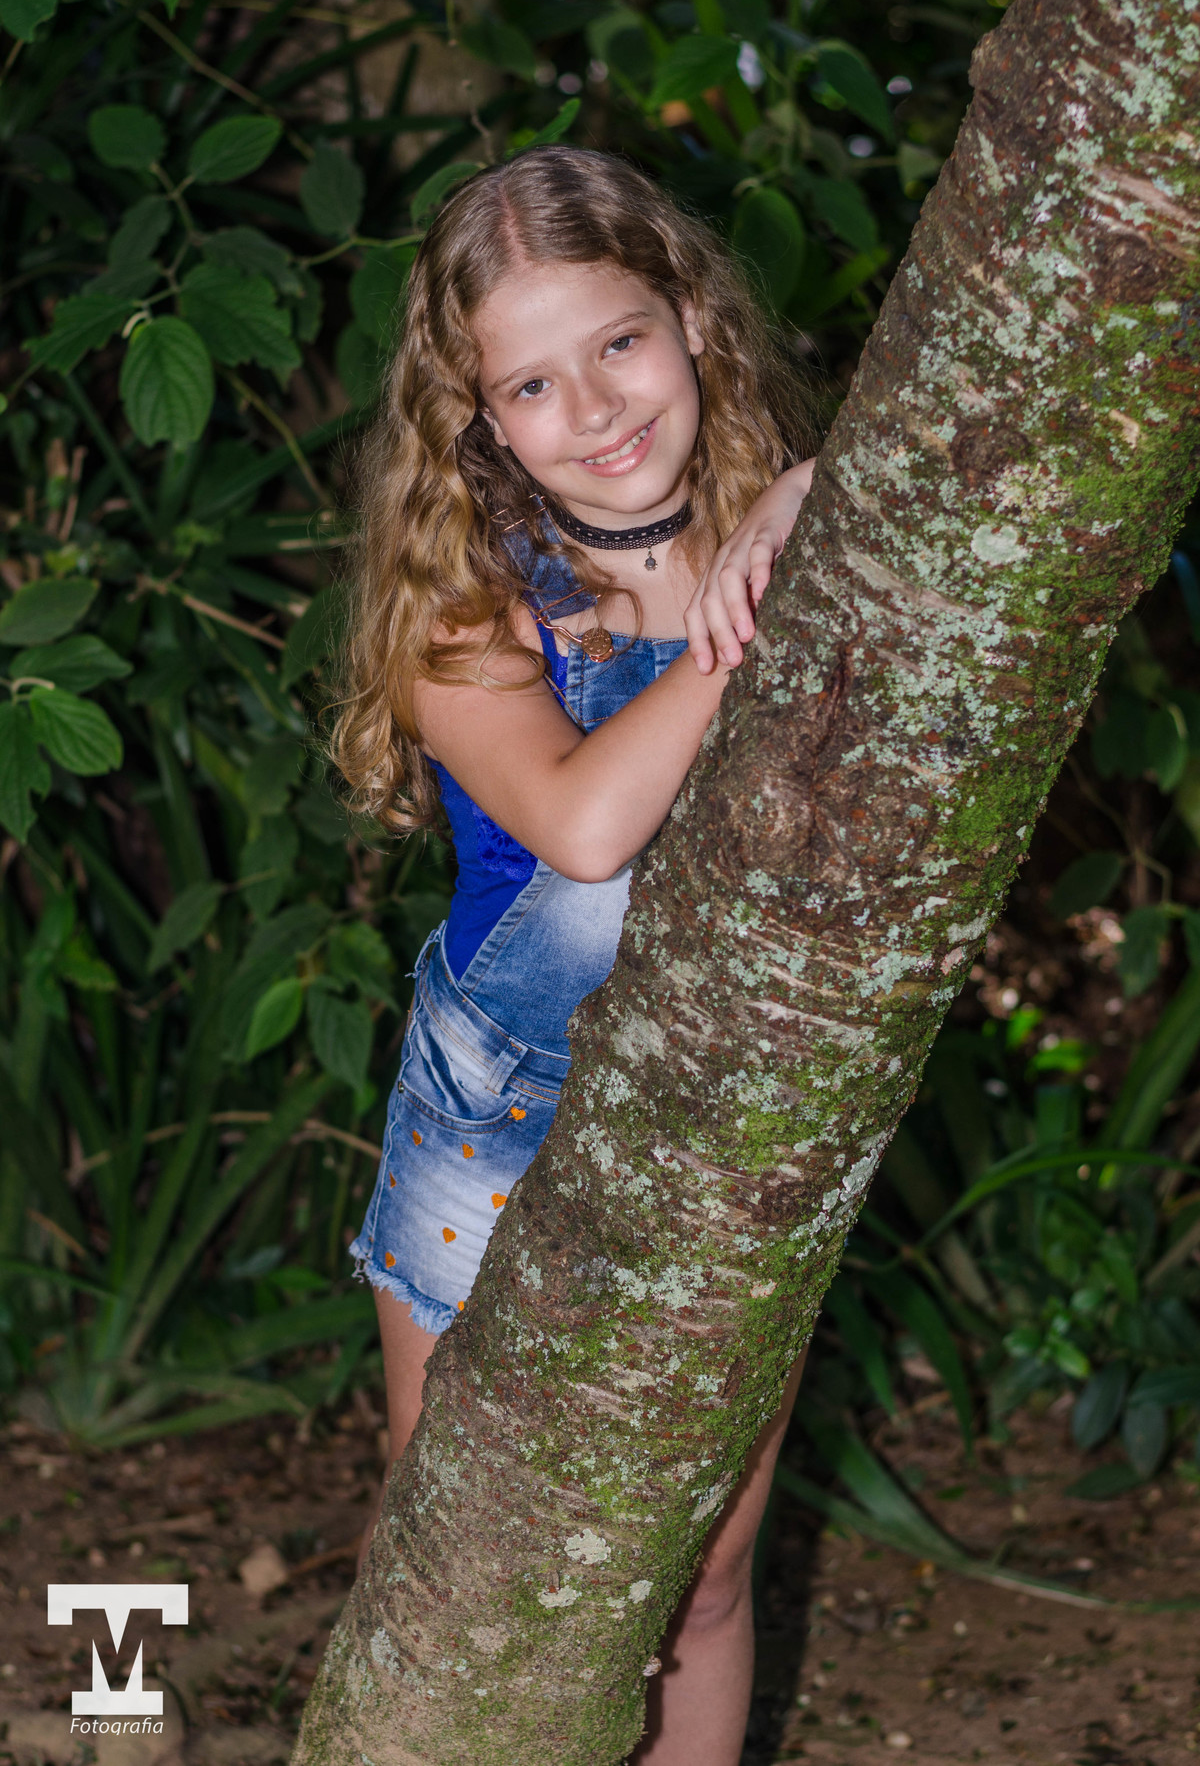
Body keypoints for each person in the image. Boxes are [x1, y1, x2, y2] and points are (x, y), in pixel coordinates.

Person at [330, 144, 817, 1766]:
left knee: (707, 1568)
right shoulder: (464, 608)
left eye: (619, 342)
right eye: (531, 383)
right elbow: (586, 829)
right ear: (477, 422)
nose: (597, 406)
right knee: (462, 1562)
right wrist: (748, 610)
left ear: (690, 316)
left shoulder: (789, 524)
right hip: (493, 1125)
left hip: (730, 1126)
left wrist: (810, 504)